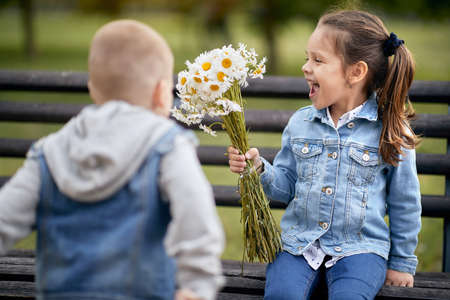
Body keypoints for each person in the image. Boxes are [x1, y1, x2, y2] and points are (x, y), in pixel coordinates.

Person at [0, 20, 225, 300]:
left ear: (92, 89)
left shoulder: (49, 152)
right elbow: (198, 219)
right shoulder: (167, 147)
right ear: (160, 93)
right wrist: (197, 288)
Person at [228, 9, 421, 300]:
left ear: (356, 72)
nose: (306, 67)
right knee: (281, 295)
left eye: (318, 60)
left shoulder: (390, 130)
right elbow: (286, 185)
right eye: (308, 57)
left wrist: (402, 263)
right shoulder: (301, 122)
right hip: (298, 246)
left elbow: (404, 203)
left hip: (360, 250)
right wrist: (258, 168)